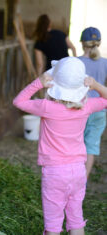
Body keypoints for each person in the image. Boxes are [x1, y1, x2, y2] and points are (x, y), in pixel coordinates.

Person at [13, 57, 107, 235]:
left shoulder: (46, 107)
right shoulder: (86, 107)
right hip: (78, 171)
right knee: (76, 219)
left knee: (53, 224)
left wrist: (38, 83)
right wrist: (95, 85)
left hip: (55, 173)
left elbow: (18, 101)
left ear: (55, 84)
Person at [78, 27, 107, 178]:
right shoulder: (105, 63)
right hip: (100, 109)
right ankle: (83, 179)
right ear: (99, 43)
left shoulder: (76, 62)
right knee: (91, 146)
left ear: (82, 43)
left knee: (76, 143)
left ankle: (72, 176)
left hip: (79, 108)